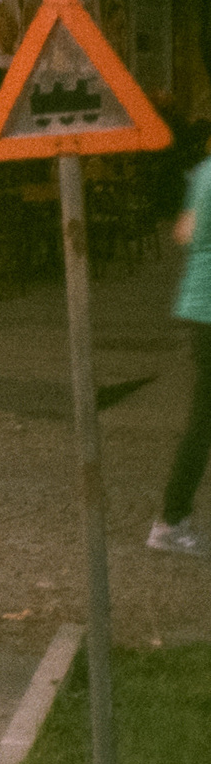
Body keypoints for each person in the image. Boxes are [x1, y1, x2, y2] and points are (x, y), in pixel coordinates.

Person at [149, 134, 211, 558]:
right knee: (203, 420)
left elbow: (183, 232)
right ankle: (170, 521)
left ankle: (171, 519)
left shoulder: (203, 172)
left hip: (199, 306)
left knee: (203, 419)